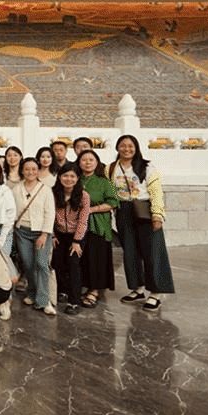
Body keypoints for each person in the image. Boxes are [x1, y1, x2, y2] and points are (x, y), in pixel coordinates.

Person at [109, 135, 174, 312]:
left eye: (130, 146)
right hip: (124, 211)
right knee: (130, 251)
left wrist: (157, 215)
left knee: (153, 251)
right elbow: (111, 189)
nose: (126, 149)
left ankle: (155, 293)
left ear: (136, 148)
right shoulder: (111, 168)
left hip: (145, 209)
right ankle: (137, 289)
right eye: (123, 145)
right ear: (117, 147)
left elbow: (156, 191)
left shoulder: (147, 167)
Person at [13, 157, 56, 315]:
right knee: (28, 264)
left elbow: (50, 213)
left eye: (33, 169)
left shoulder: (45, 189)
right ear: (22, 171)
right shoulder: (16, 189)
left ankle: (44, 300)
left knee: (41, 264)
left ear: (38, 171)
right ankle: (32, 293)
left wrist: (44, 234)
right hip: (22, 231)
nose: (30, 172)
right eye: (27, 169)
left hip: (41, 232)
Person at [77, 149, 118, 308]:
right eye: (84, 160)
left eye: (91, 160)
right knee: (81, 256)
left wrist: (91, 210)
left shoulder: (104, 182)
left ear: (97, 163)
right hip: (77, 224)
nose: (87, 163)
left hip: (98, 223)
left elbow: (113, 202)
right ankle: (82, 286)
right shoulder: (75, 179)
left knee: (96, 257)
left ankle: (94, 290)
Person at [51, 163, 90, 315]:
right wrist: (52, 235)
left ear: (78, 178)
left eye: (72, 176)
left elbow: (83, 220)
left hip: (76, 235)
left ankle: (74, 301)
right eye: (65, 175)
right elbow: (49, 215)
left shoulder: (83, 196)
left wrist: (77, 241)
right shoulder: (53, 193)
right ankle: (63, 290)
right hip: (59, 233)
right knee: (58, 262)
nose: (69, 179)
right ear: (59, 177)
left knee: (74, 265)